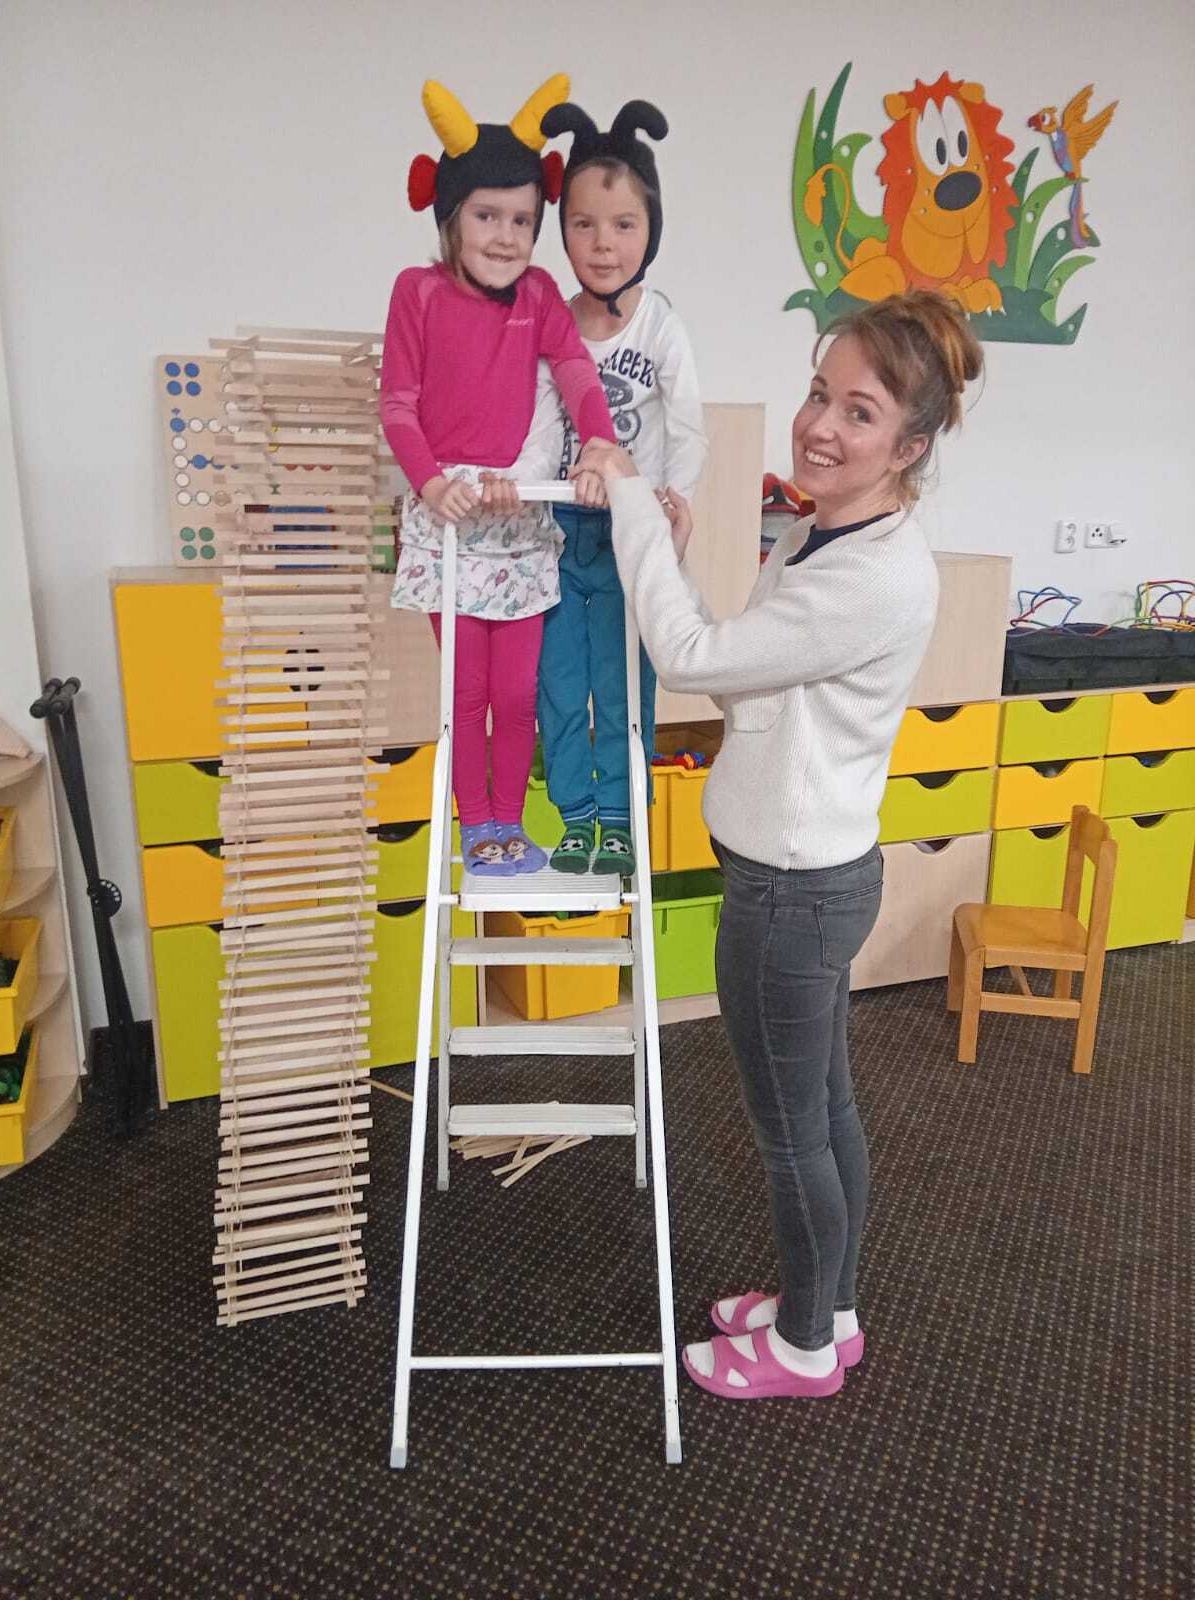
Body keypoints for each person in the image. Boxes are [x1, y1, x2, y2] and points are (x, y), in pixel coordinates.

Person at [583, 290, 984, 1398]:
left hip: (793, 893)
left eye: (859, 413)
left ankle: (805, 1348)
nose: (820, 425)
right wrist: (669, 548)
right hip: (811, 877)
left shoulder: (872, 573)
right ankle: (829, 1310)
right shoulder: (820, 532)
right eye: (820, 393)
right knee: (823, 1112)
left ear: (910, 446)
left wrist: (629, 503)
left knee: (792, 1135)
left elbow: (694, 658)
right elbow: (749, 668)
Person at [381, 75, 615, 877]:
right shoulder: (417, 293)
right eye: (487, 216)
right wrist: (429, 483)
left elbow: (576, 371)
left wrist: (598, 443)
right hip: (449, 520)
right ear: (451, 218)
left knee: (517, 696)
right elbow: (398, 405)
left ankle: (509, 821)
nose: (507, 236)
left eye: (522, 220)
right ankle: (475, 823)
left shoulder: (541, 294)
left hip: (518, 518)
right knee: (467, 694)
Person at [528, 99, 707, 876]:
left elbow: (689, 425)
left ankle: (622, 816)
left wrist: (672, 502)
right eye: (584, 224)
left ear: (650, 232)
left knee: (625, 683)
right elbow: (539, 420)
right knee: (561, 684)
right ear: (563, 231)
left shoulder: (660, 325)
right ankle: (575, 816)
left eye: (624, 224)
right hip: (559, 530)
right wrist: (534, 487)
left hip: (633, 534)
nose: (603, 243)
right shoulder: (552, 323)